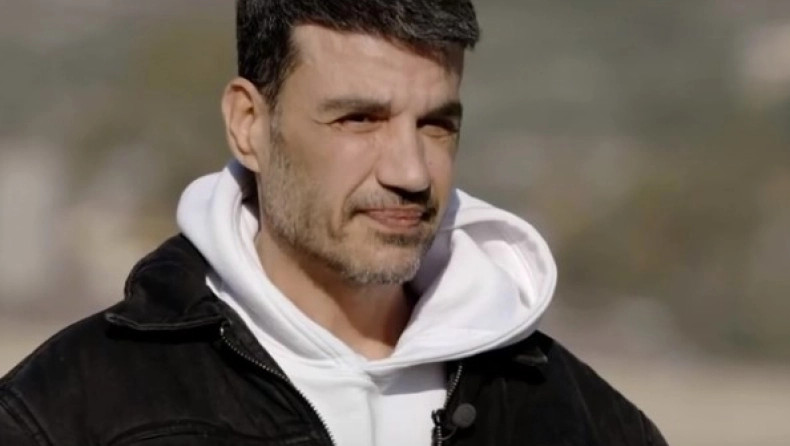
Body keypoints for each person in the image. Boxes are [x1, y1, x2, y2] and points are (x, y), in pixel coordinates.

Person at [0, 1, 667, 445]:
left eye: (436, 125)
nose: (410, 171)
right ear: (249, 124)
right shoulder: (66, 414)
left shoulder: (579, 419)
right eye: (359, 119)